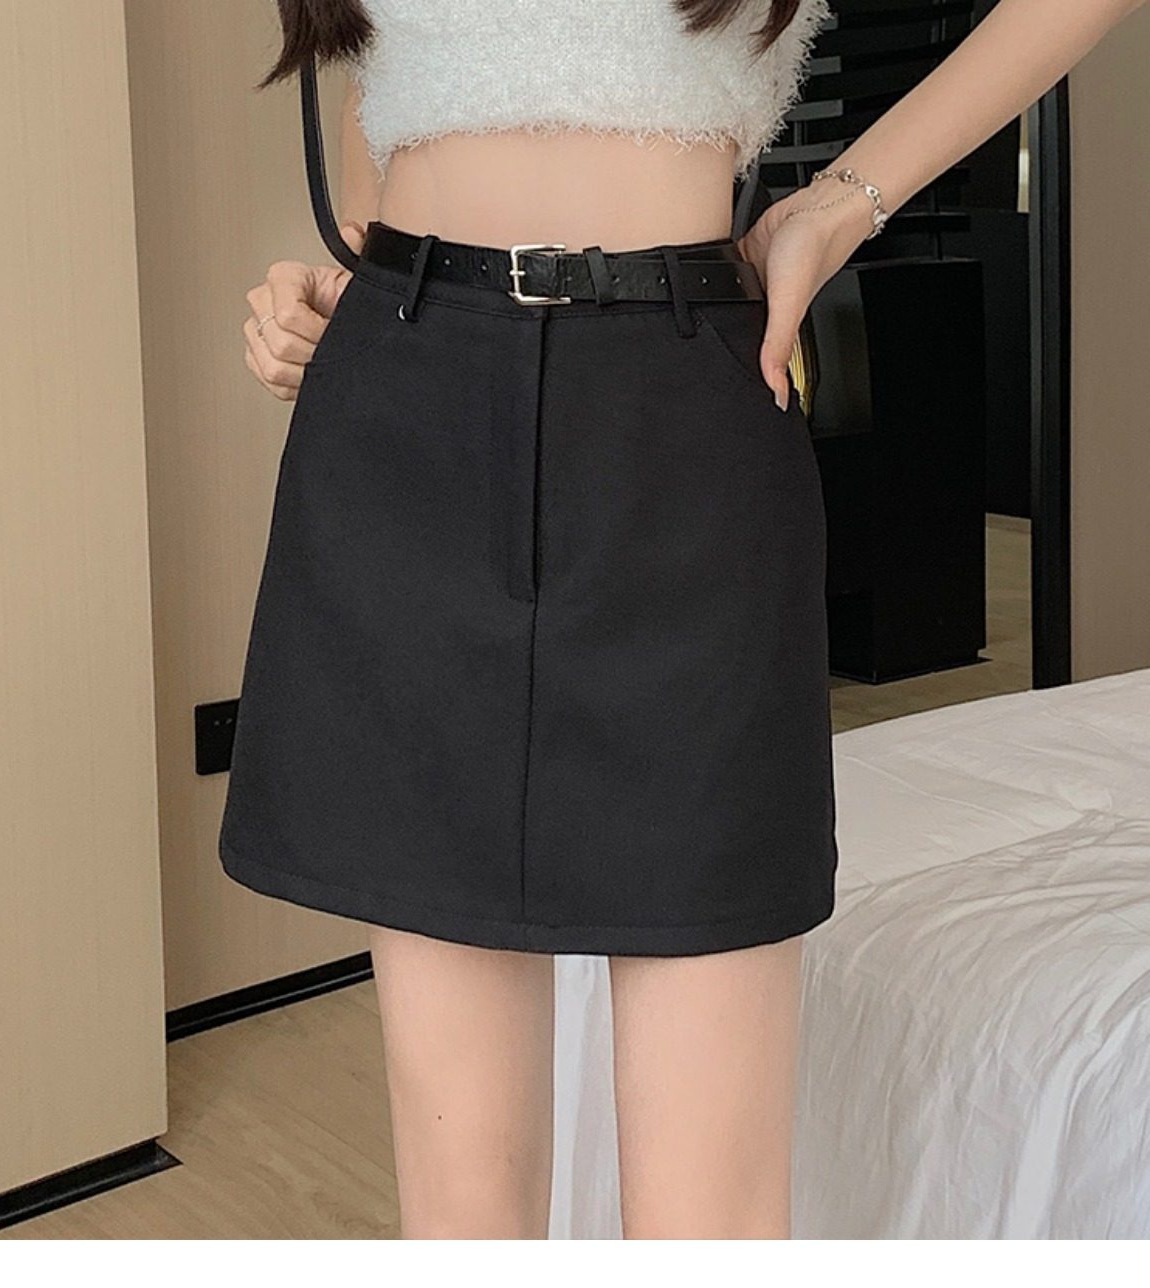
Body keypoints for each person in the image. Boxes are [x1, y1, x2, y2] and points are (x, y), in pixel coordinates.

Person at [223, 0, 1145, 1240]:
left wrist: (842, 202)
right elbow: (374, 120)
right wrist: (331, 288)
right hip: (405, 404)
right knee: (460, 1203)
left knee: (707, 1218)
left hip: (682, 409)